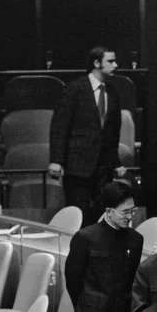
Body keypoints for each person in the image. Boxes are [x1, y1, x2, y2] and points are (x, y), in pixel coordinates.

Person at [64, 181, 143, 312]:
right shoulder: (85, 237)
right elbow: (73, 280)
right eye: (124, 212)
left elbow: (132, 278)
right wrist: (87, 305)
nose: (129, 216)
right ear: (108, 211)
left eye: (132, 211)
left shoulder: (135, 240)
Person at [48, 45, 127, 225]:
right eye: (110, 61)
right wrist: (56, 160)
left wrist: (115, 163)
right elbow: (60, 126)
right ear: (97, 63)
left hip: (103, 167)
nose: (115, 65)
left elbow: (112, 133)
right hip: (78, 164)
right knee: (78, 213)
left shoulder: (112, 92)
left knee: (103, 214)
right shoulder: (75, 88)